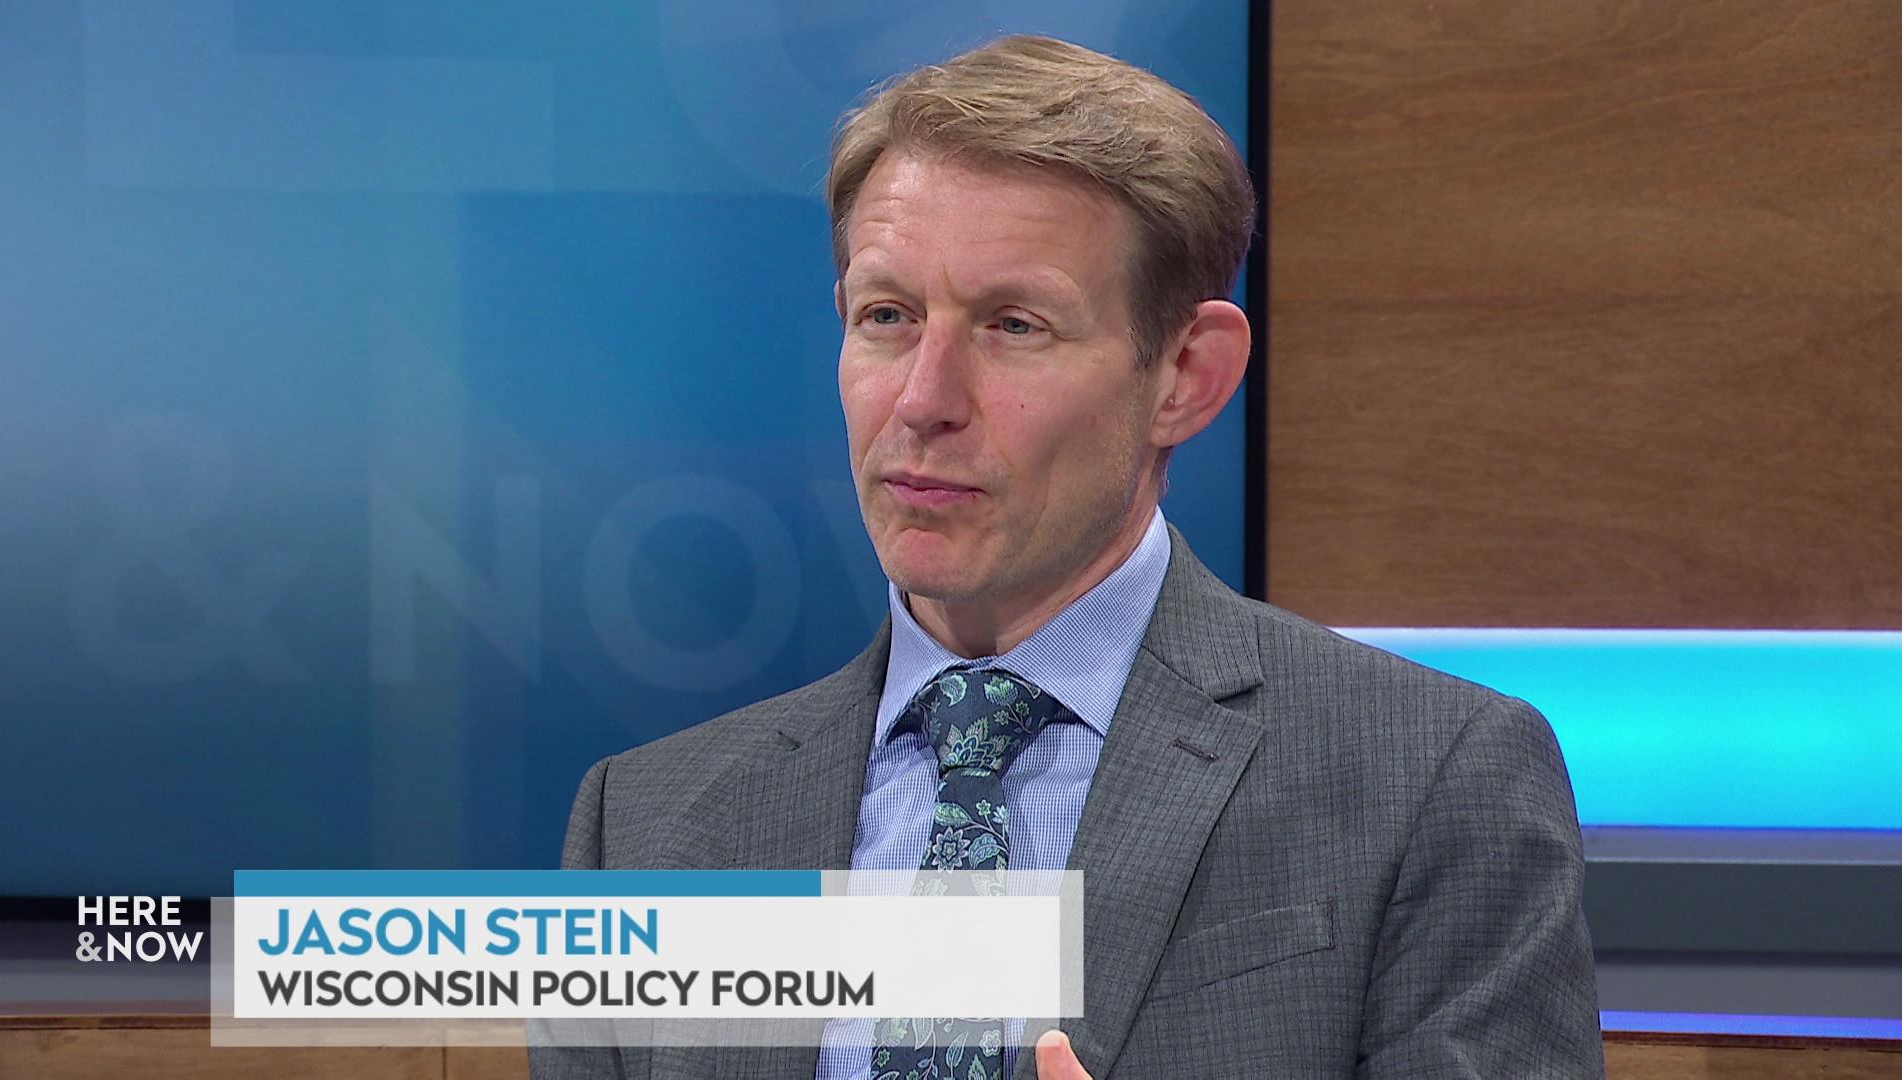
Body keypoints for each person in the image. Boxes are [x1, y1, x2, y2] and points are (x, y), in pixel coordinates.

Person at [533, 34, 1603, 1080]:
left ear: (1186, 373)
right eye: (888, 316)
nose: (923, 400)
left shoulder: (1427, 778)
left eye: (1014, 325)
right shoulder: (648, 825)